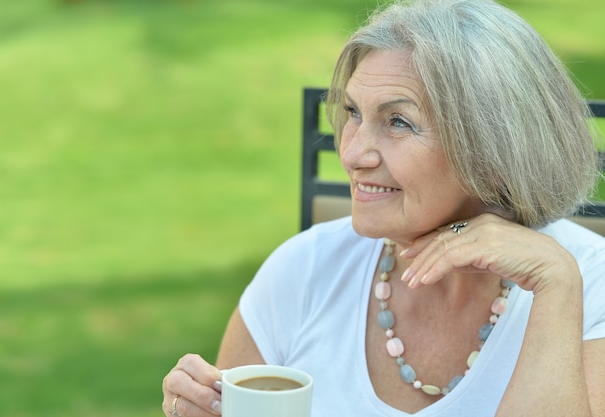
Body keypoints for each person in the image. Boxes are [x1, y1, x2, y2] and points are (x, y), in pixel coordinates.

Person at [162, 0, 605, 415]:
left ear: (495, 155)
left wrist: (556, 285)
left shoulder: (589, 287)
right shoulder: (304, 270)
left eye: (398, 122)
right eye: (353, 112)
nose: (353, 154)